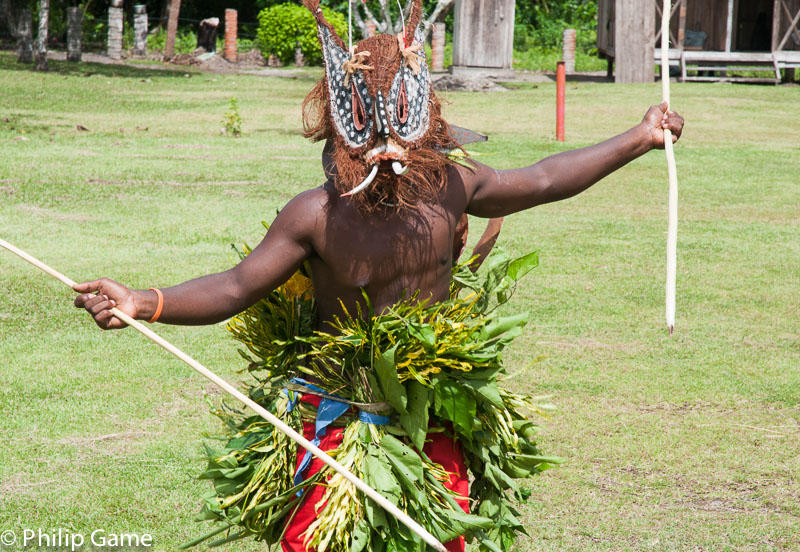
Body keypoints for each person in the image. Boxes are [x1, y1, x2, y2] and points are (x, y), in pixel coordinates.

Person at [73, 1, 684, 550]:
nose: (384, 147)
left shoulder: (451, 187)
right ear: (343, 125)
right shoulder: (316, 214)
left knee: (438, 537)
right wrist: (144, 302)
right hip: (336, 415)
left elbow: (545, 180)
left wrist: (640, 137)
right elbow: (236, 286)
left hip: (430, 410)